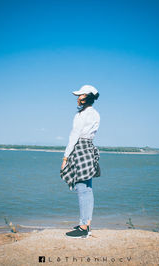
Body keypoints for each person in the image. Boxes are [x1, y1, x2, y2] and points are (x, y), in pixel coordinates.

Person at [60, 85, 100, 238]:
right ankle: (86, 223)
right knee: (87, 189)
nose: (78, 98)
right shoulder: (96, 114)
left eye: (80, 95)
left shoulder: (81, 115)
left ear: (87, 97)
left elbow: (74, 136)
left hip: (79, 149)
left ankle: (83, 228)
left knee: (82, 189)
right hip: (89, 148)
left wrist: (65, 157)